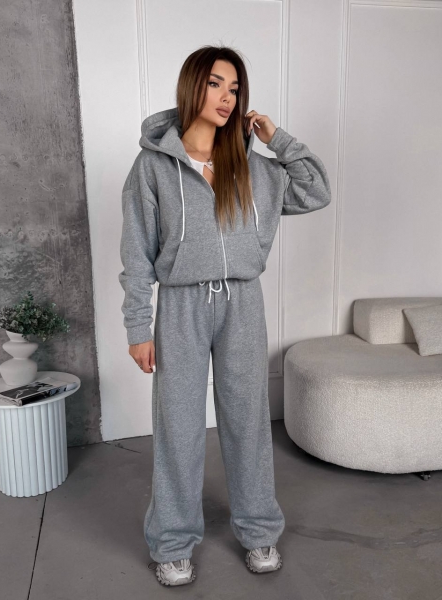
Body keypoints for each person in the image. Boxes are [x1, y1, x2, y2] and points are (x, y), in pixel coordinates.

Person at [118, 45, 331, 587]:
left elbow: (316, 191)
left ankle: (259, 532)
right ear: (193, 86)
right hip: (181, 307)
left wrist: (277, 140)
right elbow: (136, 252)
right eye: (216, 84)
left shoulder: (254, 168)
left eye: (235, 88)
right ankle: (172, 542)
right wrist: (138, 327)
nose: (227, 97)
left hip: (242, 303)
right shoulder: (153, 167)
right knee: (178, 427)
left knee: (248, 422)